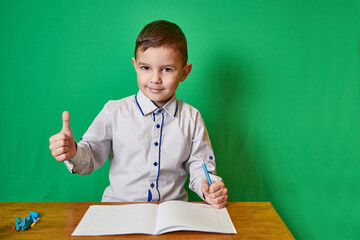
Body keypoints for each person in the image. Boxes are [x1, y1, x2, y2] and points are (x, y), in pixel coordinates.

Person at [49, 20, 228, 208]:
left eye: (167, 69)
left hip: (171, 214)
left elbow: (201, 168)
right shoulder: (114, 112)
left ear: (184, 72)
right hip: (119, 211)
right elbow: (89, 158)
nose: (155, 79)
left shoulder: (192, 118)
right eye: (146, 68)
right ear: (135, 65)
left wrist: (209, 189)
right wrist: (73, 151)